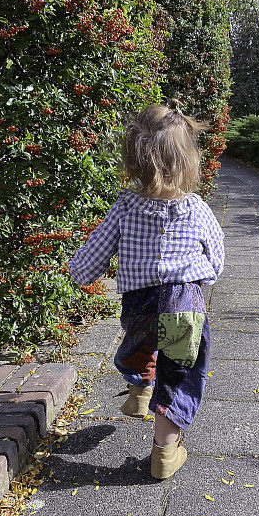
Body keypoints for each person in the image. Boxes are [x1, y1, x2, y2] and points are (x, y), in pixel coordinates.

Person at [67, 99, 225, 479]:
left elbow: (95, 254)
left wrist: (78, 272)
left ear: (134, 158)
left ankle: (139, 391)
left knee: (139, 345)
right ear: (189, 160)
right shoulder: (198, 208)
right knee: (178, 375)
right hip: (185, 305)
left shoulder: (124, 206)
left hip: (139, 301)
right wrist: (204, 275)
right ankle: (164, 455)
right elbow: (216, 259)